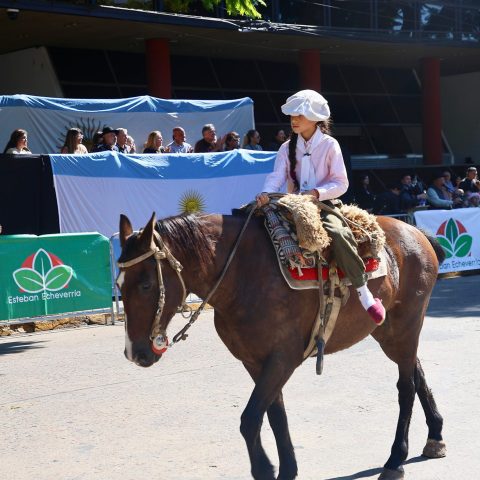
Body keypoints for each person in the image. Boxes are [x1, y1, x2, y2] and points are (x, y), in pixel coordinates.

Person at [256, 89, 385, 325]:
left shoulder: (330, 145)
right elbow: (277, 176)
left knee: (338, 232)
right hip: (293, 203)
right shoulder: (286, 147)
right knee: (258, 226)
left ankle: (363, 291)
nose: (294, 120)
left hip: (324, 203)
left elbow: (341, 183)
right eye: (292, 115)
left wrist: (316, 193)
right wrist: (266, 193)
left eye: (300, 115)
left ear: (315, 119)